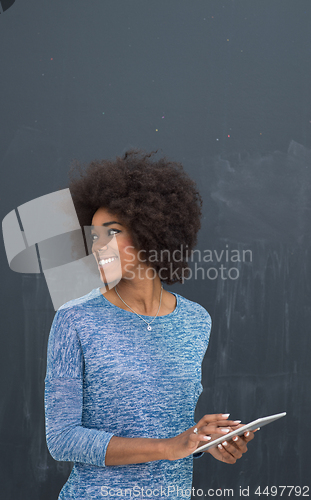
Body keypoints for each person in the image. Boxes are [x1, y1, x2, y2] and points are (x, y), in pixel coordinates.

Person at [44, 149, 256, 500]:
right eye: (94, 236)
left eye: (111, 232)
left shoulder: (194, 321)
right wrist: (168, 447)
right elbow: (63, 438)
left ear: (150, 232)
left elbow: (167, 429)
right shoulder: (75, 320)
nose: (98, 247)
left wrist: (201, 442)